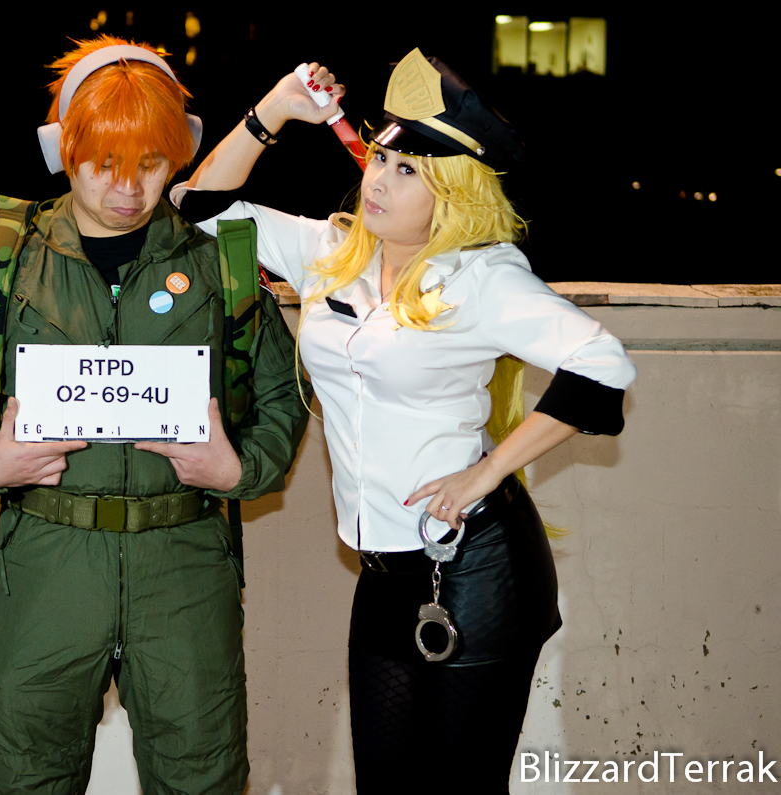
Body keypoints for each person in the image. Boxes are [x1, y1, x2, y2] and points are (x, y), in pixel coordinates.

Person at [174, 51, 637, 791]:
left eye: (407, 170)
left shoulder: (483, 278)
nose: (378, 180)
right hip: (384, 574)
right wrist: (275, 110)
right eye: (380, 159)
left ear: (452, 194)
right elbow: (199, 209)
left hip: (476, 568)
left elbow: (603, 366)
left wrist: (487, 472)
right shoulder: (333, 252)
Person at [0, 36, 308, 794]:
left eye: (151, 164)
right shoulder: (6, 263)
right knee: (26, 776)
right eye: (105, 164)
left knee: (202, 776)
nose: (129, 188)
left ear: (177, 156)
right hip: (47, 566)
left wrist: (239, 470)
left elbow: (282, 394)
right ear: (66, 152)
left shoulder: (221, 263)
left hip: (185, 566)